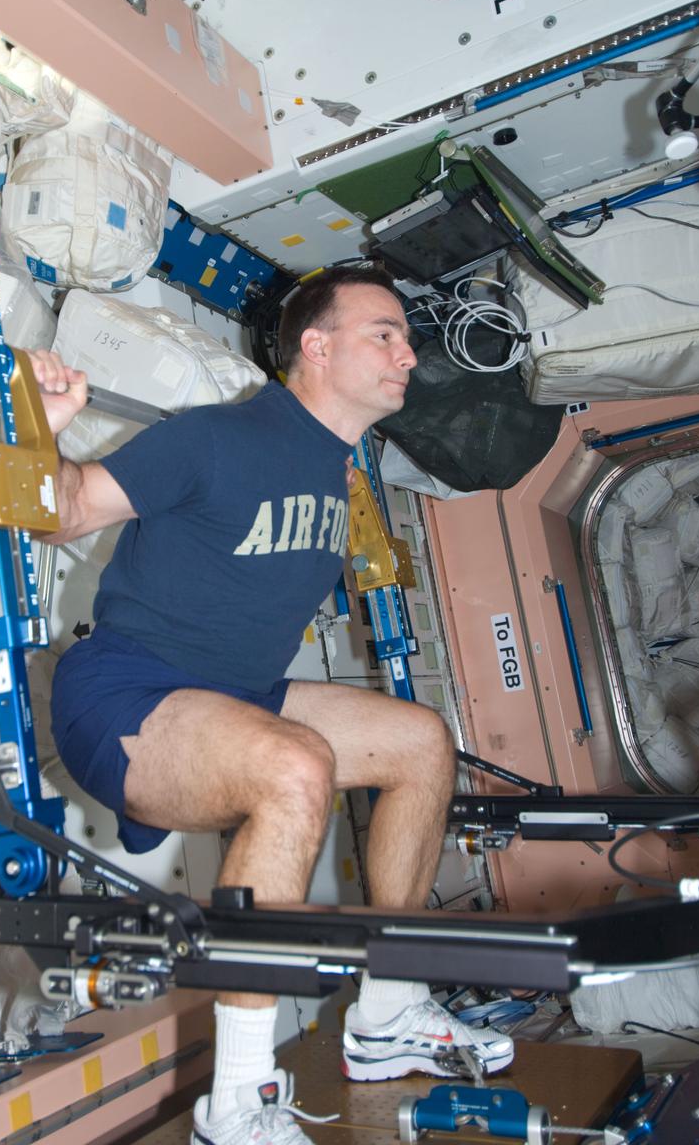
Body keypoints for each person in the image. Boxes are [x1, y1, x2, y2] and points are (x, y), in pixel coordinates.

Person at [31, 265, 514, 1145]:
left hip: (236, 693)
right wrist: (47, 431)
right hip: (126, 691)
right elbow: (64, 510)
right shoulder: (217, 437)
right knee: (297, 767)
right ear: (315, 346)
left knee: (419, 742)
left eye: (405, 338)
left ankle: (389, 1011)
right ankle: (238, 1101)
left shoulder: (338, 468)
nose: (409, 352)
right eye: (385, 334)